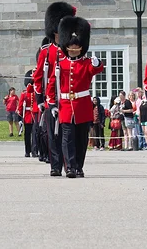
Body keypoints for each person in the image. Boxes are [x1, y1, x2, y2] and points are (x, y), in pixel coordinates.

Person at [47, 15, 104, 177]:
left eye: (76, 46)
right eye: (71, 46)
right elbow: (52, 85)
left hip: (82, 105)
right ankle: (70, 167)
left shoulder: (86, 63)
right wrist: (52, 104)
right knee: (67, 138)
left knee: (81, 138)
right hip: (65, 105)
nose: (73, 49)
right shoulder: (61, 63)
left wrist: (97, 63)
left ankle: (79, 166)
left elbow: (96, 69)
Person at [33, 2, 77, 175]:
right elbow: (38, 77)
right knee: (52, 134)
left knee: (68, 134)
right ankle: (55, 166)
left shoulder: (72, 49)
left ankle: (69, 165)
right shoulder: (46, 51)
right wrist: (40, 100)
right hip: (51, 97)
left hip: (67, 97)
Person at [17, 76, 35, 157]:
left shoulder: (35, 92)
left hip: (35, 115)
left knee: (35, 134)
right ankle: (27, 151)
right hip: (27, 116)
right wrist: (21, 116)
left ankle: (34, 150)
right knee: (27, 135)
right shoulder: (24, 93)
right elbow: (20, 106)